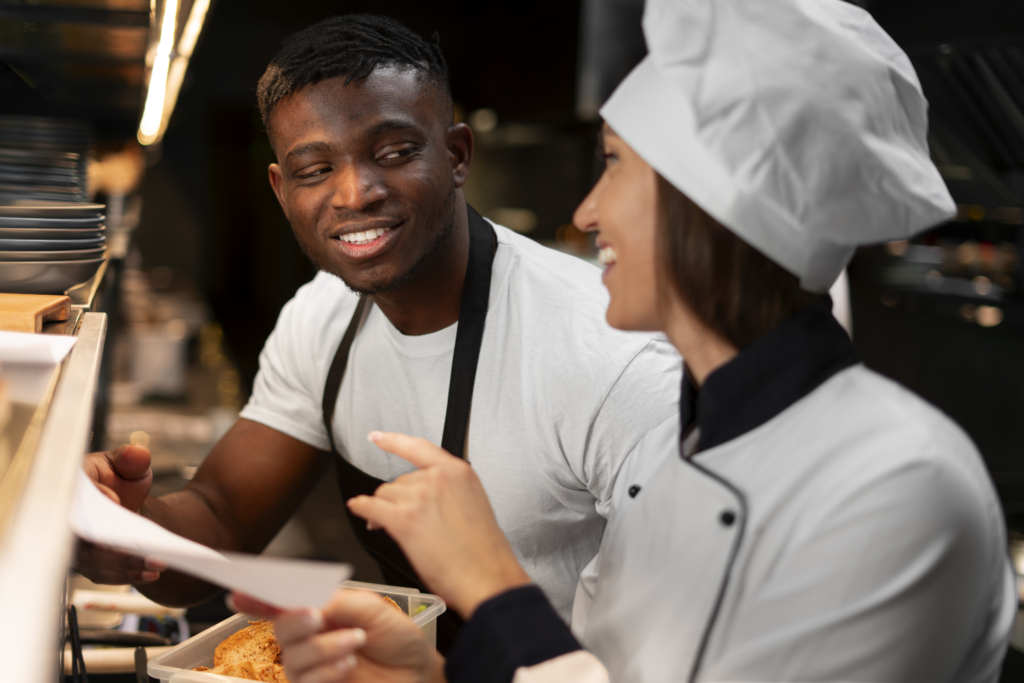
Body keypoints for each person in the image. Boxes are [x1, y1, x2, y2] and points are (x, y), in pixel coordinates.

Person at [235, 1, 1019, 681]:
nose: (586, 212)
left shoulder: (894, 484)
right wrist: (432, 673)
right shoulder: (676, 456)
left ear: (711, 203)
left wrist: (494, 588)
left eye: (613, 166)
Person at [76, 14, 681, 653]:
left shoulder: (613, 359)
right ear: (282, 191)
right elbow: (222, 514)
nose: (355, 192)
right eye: (315, 169)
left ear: (455, 156)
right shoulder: (321, 318)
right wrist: (131, 532)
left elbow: (671, 651)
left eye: (394, 153)